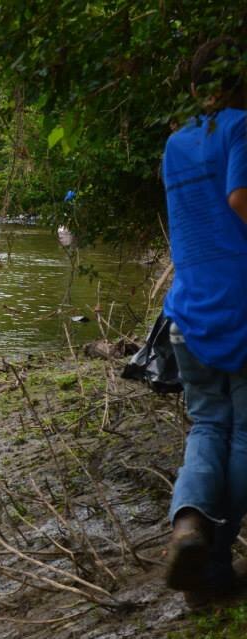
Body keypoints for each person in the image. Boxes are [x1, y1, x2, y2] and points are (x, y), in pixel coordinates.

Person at [161, 37, 247, 603]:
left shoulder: (175, 143)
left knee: (207, 426)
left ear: (194, 89)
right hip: (241, 308)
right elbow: (240, 199)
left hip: (188, 312)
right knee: (243, 433)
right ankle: (215, 562)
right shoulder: (241, 127)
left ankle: (187, 524)